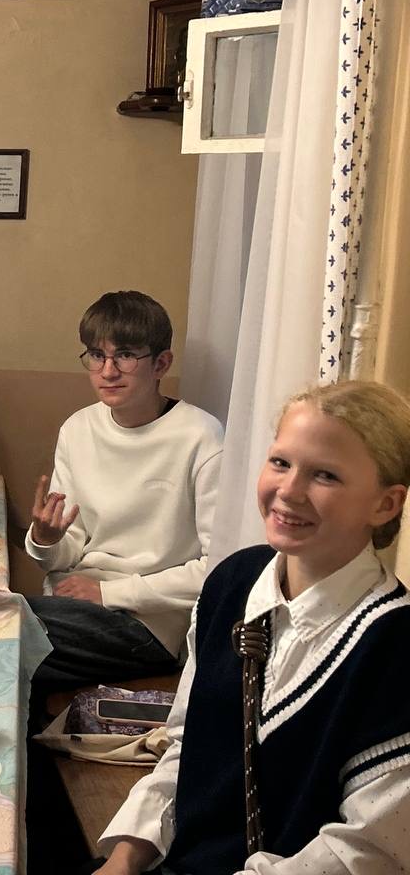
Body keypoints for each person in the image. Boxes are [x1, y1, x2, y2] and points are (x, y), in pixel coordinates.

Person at [94, 380, 410, 874]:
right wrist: (126, 857)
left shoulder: (393, 646)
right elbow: (185, 746)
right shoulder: (232, 584)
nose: (289, 491)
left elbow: (367, 851)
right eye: (281, 462)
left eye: (325, 475)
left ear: (385, 504)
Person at [25, 291, 223, 689]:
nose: (108, 371)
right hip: (75, 602)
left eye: (126, 356)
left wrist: (110, 592)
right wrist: (45, 540)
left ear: (161, 363)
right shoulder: (79, 428)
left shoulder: (200, 436)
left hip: (148, 623)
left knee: (4, 637)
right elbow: (70, 548)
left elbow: (216, 568)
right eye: (97, 355)